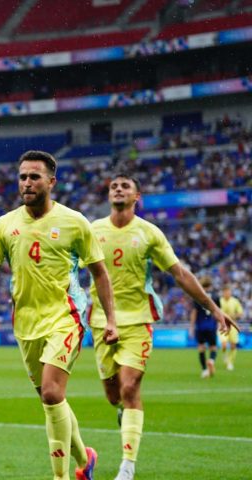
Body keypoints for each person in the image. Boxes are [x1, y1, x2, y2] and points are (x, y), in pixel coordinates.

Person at [88, 172, 237, 480]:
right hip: (101, 322)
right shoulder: (91, 231)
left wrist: (212, 308)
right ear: (108, 195)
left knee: (130, 388)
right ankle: (123, 413)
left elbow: (180, 274)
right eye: (114, 186)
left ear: (136, 197)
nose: (118, 189)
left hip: (139, 319)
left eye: (125, 186)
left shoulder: (149, 233)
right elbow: (67, 268)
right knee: (113, 394)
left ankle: (127, 466)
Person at [0, 150, 118, 480]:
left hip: (65, 317)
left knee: (54, 394)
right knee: (49, 398)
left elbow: (100, 273)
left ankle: (61, 476)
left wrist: (110, 320)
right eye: (23, 177)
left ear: (51, 182)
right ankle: (86, 460)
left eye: (34, 177)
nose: (27, 182)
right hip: (25, 322)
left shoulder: (74, 222)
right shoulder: (4, 225)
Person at [189, 275, 226, 379]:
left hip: (200, 326)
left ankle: (205, 370)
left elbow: (194, 312)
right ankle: (211, 360)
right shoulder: (215, 296)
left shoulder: (197, 295)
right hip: (211, 326)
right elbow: (218, 312)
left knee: (201, 348)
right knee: (213, 347)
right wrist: (220, 324)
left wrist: (191, 326)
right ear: (210, 285)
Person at [218, 284, 244, 371]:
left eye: (228, 292)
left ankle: (230, 362)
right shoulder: (219, 301)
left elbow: (240, 313)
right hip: (222, 325)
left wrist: (233, 316)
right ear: (223, 293)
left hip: (232, 326)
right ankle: (225, 356)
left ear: (230, 292)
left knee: (233, 345)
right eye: (225, 292)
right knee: (224, 345)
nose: (227, 293)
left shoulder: (235, 301)